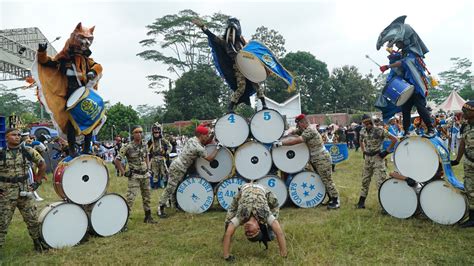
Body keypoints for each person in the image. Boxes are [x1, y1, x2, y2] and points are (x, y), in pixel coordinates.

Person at [35, 22, 104, 156]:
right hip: (69, 96)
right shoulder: (63, 59)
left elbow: (98, 66)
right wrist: (42, 52)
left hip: (84, 94)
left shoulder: (86, 60)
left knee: (89, 121)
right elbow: (47, 62)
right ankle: (72, 150)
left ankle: (86, 149)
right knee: (71, 124)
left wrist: (92, 73)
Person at [192, 17, 267, 113]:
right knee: (241, 88)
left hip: (248, 66)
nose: (231, 35)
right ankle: (230, 107)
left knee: (256, 85)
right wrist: (203, 27)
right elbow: (212, 37)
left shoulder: (242, 41)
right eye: (230, 33)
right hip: (238, 68)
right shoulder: (225, 42)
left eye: (233, 33)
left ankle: (264, 104)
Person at [377, 16, 434, 137]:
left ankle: (431, 129)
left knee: (420, 108)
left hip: (417, 86)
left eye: (398, 41)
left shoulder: (412, 52)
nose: (396, 44)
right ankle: (406, 131)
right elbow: (400, 62)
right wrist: (393, 56)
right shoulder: (404, 52)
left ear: (405, 39)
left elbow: (405, 62)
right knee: (405, 110)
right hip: (406, 87)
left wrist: (388, 66)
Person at [274, 114, 340, 209]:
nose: (298, 126)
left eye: (299, 124)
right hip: (315, 158)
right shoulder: (303, 130)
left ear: (303, 122)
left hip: (321, 158)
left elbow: (298, 140)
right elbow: (293, 130)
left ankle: (336, 200)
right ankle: (330, 198)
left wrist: (281, 143)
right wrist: (287, 132)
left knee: (327, 179)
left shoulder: (310, 130)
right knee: (322, 179)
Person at [0, 128, 47, 253]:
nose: (17, 137)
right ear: (6, 137)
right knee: (2, 222)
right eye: (13, 135)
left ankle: (38, 244)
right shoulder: (1, 153)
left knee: (32, 219)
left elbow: (42, 164)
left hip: (25, 191)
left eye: (19, 135)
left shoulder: (28, 151)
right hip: (6, 194)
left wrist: (37, 182)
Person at [158, 125, 220, 218]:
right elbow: (210, 159)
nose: (207, 137)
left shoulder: (192, 140)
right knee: (170, 188)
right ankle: (160, 207)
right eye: (206, 135)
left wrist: (211, 135)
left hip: (177, 165)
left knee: (176, 187)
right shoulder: (198, 148)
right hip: (179, 167)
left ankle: (175, 206)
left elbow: (205, 141)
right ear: (201, 135)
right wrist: (218, 148)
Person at [223, 182, 287, 261]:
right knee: (274, 209)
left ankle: (227, 229)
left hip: (244, 189)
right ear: (258, 228)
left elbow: (228, 233)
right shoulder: (265, 215)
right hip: (262, 189)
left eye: (247, 233)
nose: (248, 231)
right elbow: (279, 233)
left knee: (228, 220)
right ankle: (270, 228)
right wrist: (283, 255)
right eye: (252, 233)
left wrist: (227, 256)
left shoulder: (241, 217)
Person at [115, 126, 156, 225]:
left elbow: (146, 155)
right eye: (136, 132)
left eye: (141, 132)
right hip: (134, 176)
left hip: (145, 174)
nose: (139, 134)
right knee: (130, 198)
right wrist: (124, 172)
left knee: (147, 196)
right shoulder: (127, 146)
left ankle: (148, 216)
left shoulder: (145, 144)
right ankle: (123, 221)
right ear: (133, 134)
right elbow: (117, 160)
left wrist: (148, 168)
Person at [356, 114, 398, 209]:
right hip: (367, 159)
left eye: (369, 122)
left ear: (372, 121)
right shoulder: (362, 131)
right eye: (365, 123)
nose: (368, 124)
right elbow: (360, 140)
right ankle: (361, 202)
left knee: (380, 182)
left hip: (377, 158)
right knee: (365, 180)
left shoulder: (379, 130)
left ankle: (385, 205)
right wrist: (363, 151)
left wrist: (386, 152)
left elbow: (394, 139)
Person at [451, 100, 474, 228]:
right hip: (469, 162)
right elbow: (463, 144)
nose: (463, 113)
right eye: (463, 110)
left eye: (467, 110)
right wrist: (457, 160)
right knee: (470, 190)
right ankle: (472, 218)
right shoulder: (465, 126)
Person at [147, 123, 171, 189]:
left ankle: (165, 184)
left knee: (164, 172)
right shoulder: (150, 141)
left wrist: (167, 152)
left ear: (160, 132)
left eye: (157, 132)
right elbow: (147, 149)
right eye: (155, 132)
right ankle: (155, 185)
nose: (156, 133)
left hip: (162, 157)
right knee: (155, 172)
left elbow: (170, 146)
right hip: (154, 158)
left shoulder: (163, 140)